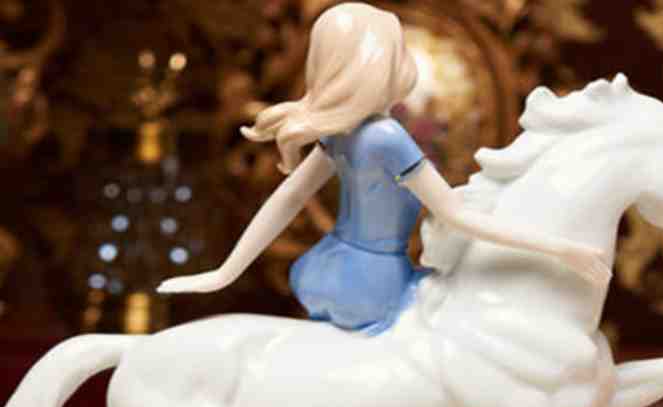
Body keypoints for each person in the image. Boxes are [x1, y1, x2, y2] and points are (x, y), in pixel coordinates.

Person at [157, 2, 611, 334]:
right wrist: (557, 248)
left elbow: (289, 197)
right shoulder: (386, 136)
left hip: (325, 269)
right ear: (377, 67)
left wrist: (225, 272)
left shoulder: (342, 133)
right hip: (376, 283)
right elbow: (456, 216)